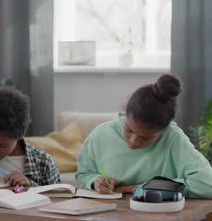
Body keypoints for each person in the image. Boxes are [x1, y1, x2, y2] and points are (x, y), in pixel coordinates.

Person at [76, 74, 212, 198]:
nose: (133, 142)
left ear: (163, 131)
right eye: (129, 130)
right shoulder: (100, 134)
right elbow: (83, 174)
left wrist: (145, 188)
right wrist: (94, 182)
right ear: (125, 113)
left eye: (145, 138)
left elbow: (207, 184)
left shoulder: (173, 138)